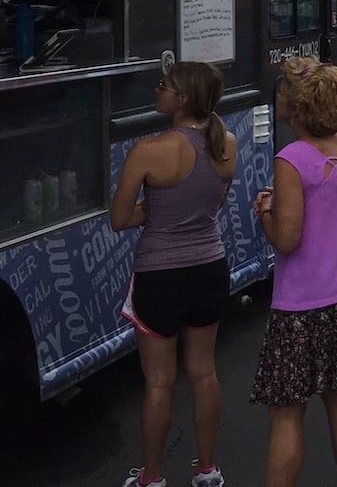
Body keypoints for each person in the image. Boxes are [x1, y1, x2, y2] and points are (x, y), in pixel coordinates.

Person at [111, 62, 238, 487]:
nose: (157, 89)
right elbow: (211, 205)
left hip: (159, 274)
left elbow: (119, 218)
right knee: (204, 371)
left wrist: (154, 211)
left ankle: (152, 476)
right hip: (209, 266)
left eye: (164, 85)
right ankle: (207, 469)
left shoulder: (148, 150)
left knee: (159, 382)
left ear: (183, 99)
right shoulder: (227, 144)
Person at [249, 59, 337, 487]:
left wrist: (265, 211)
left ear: (295, 105)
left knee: (285, 413)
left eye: (281, 91)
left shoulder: (292, 158)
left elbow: (286, 239)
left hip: (300, 305)